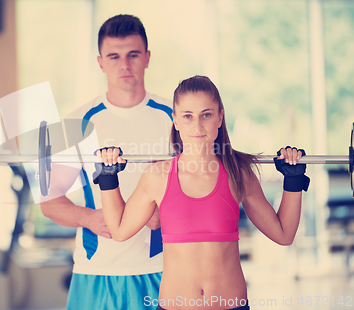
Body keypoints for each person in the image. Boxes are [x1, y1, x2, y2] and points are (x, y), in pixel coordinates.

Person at [95, 75, 310, 310]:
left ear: (220, 117)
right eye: (187, 116)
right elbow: (119, 230)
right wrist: (108, 178)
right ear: (175, 120)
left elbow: (283, 234)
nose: (197, 126)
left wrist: (293, 181)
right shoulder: (156, 176)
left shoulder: (239, 174)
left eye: (206, 115)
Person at [40, 14, 173, 309]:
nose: (124, 65)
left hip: (163, 270)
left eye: (133, 55)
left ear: (147, 58)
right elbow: (49, 203)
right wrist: (88, 218)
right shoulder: (76, 121)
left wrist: (163, 212)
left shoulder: (175, 118)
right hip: (96, 271)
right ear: (100, 62)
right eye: (114, 56)